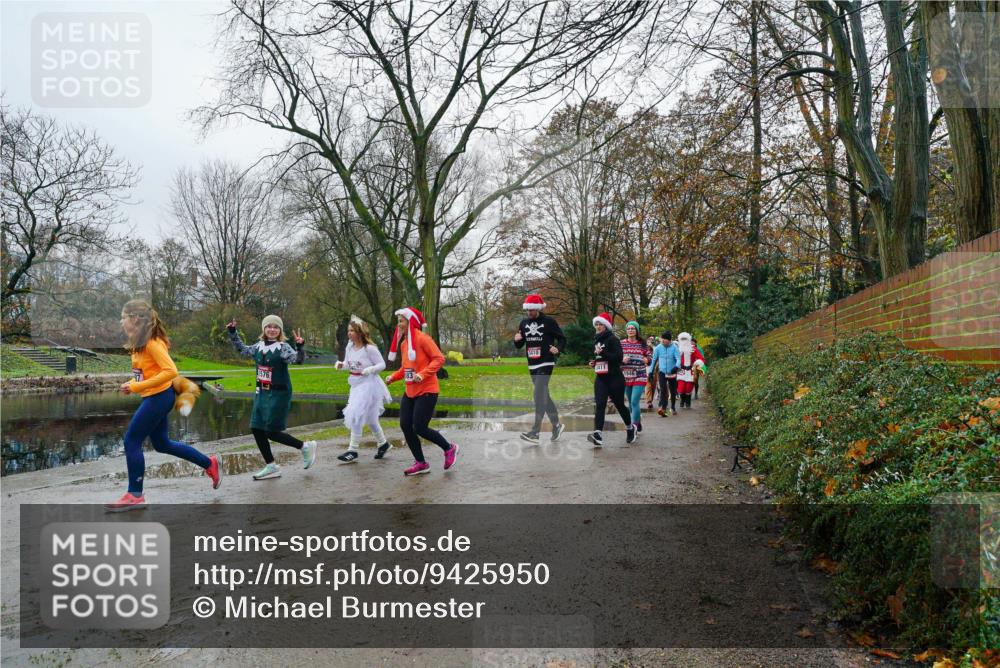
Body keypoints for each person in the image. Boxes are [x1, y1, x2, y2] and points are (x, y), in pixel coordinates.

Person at [107, 300, 221, 511]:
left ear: (135, 319)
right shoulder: (138, 345)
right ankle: (209, 463)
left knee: (131, 440)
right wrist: (132, 385)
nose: (121, 321)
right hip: (153, 397)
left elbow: (170, 371)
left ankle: (135, 494)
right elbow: (146, 375)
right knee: (162, 444)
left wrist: (136, 386)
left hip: (159, 398)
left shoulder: (152, 343)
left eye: (123, 317)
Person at [228, 315, 316, 480]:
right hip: (261, 393)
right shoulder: (258, 346)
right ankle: (271, 466)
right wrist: (233, 332)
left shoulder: (283, 347)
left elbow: (297, 360)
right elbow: (242, 349)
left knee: (271, 432)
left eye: (276, 327)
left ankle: (304, 446)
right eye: (269, 326)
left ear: (280, 331)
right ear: (264, 329)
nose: (272, 329)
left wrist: (300, 347)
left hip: (279, 394)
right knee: (256, 427)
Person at [385, 307, 459, 476]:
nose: (399, 325)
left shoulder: (423, 339)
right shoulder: (404, 344)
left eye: (402, 321)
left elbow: (439, 358)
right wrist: (393, 377)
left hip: (427, 390)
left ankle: (449, 448)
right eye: (398, 321)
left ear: (411, 322)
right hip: (410, 391)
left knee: (419, 427)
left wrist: (422, 374)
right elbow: (406, 368)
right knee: (405, 425)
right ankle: (421, 463)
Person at [334, 317, 393, 463]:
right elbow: (349, 364)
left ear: (360, 332)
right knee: (371, 419)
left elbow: (382, 364)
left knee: (356, 414)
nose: (349, 333)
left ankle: (352, 450)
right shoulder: (350, 347)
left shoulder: (369, 349)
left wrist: (370, 369)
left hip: (369, 386)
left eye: (352, 330)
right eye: (348, 330)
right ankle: (383, 443)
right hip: (355, 385)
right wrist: (341, 365)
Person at [513, 294, 566, 444]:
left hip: (546, 362)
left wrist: (558, 348)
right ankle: (556, 425)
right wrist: (516, 340)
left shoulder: (548, 322)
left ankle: (535, 432)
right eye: (527, 310)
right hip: (532, 364)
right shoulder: (523, 323)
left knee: (538, 395)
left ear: (537, 309)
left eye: (532, 310)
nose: (529, 312)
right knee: (544, 396)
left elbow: (562, 338)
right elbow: (519, 343)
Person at [587, 312, 635, 447]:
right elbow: (600, 358)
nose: (597, 326)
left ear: (606, 326)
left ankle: (630, 427)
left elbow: (618, 357)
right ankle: (598, 434)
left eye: (600, 324)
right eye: (596, 324)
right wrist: (594, 363)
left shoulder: (613, 339)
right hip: (601, 378)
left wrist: (603, 353)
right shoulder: (596, 339)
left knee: (619, 405)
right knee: (600, 405)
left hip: (615, 378)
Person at [621, 321, 650, 436]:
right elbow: (617, 356)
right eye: (629, 328)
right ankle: (637, 421)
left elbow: (649, 356)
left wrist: (647, 360)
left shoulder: (642, 344)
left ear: (637, 331)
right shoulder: (621, 343)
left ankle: (634, 427)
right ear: (626, 330)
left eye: (633, 328)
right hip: (626, 376)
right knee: (630, 402)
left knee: (634, 401)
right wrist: (622, 359)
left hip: (640, 375)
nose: (631, 330)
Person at [648, 330, 680, 416]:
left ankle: (673, 407)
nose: (663, 341)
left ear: (669, 340)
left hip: (672, 371)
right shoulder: (658, 348)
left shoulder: (674, 348)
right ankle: (663, 408)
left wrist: (676, 367)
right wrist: (650, 372)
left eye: (665, 339)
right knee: (663, 389)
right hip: (662, 372)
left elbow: (678, 359)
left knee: (673, 391)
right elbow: (654, 360)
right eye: (662, 339)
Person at [675, 332, 706, 409]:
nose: (684, 341)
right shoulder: (677, 349)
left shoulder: (693, 349)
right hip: (681, 370)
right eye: (682, 339)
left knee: (688, 387)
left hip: (690, 370)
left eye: (685, 339)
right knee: (681, 388)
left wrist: (697, 363)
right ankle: (682, 400)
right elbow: (673, 358)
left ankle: (688, 402)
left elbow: (701, 359)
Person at [644, 335, 658, 410]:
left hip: (654, 370)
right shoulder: (644, 351)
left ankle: (650, 400)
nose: (649, 343)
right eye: (648, 342)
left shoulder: (656, 350)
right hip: (646, 370)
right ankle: (649, 401)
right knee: (648, 385)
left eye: (651, 342)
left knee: (653, 386)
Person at [691, 336, 707, 400]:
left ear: (695, 343)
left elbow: (702, 358)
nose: (691, 343)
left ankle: (696, 393)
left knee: (696, 380)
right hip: (688, 366)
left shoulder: (698, 349)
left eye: (693, 342)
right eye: (690, 342)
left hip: (696, 366)